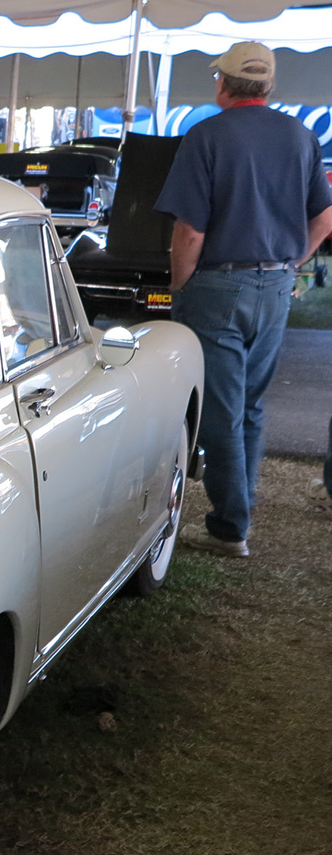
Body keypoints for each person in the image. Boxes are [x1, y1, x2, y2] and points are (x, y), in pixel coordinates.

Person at [154, 42, 332, 556]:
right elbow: (323, 217)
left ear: (222, 83)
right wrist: (290, 262)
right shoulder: (301, 137)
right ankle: (240, 512)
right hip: (276, 286)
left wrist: (179, 285)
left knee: (221, 413)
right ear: (269, 85)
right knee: (250, 406)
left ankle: (230, 527)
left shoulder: (205, 135)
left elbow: (189, 232)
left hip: (217, 285)